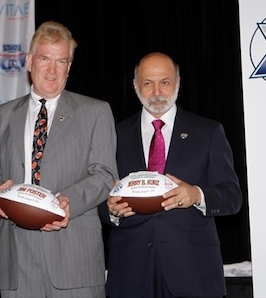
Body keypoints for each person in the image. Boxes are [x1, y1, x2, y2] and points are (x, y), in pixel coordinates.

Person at [0, 21, 118, 298]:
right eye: (45, 59)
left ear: (69, 67)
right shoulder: (0, 115)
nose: (52, 70)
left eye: (61, 61)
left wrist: (68, 201)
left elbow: (105, 174)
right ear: (30, 61)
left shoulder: (96, 112)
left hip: (74, 256)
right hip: (17, 258)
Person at [99, 52, 243, 298]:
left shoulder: (208, 132)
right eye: (148, 83)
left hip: (193, 271)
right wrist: (110, 210)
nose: (157, 91)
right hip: (131, 273)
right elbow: (99, 199)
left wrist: (196, 194)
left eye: (164, 82)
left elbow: (232, 197)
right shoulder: (114, 135)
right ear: (135, 86)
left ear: (178, 83)